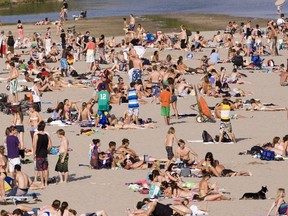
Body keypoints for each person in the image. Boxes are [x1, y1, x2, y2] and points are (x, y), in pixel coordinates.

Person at [33, 121, 52, 188]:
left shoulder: (36, 136)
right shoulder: (46, 135)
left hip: (39, 154)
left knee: (40, 169)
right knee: (45, 168)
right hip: (45, 154)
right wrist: (48, 151)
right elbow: (50, 145)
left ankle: (42, 183)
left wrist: (33, 154)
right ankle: (46, 182)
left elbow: (34, 146)